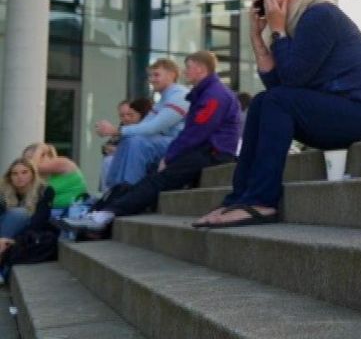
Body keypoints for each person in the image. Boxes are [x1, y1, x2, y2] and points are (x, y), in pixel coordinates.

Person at [194, 0, 361, 229]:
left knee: (275, 100)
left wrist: (277, 30)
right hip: (336, 111)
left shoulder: (321, 14)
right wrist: (258, 38)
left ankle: (262, 201)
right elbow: (278, 90)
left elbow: (291, 81)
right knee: (262, 102)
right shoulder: (300, 23)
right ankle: (239, 198)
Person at [63, 51, 241, 234]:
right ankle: (107, 207)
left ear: (201, 69)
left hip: (213, 153)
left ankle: (107, 212)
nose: (185, 72)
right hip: (204, 150)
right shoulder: (206, 93)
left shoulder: (214, 95)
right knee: (152, 174)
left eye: (188, 67)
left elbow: (195, 132)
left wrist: (170, 156)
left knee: (157, 178)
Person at [94, 58, 189, 190]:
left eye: (156, 75)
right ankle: (112, 190)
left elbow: (154, 127)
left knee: (137, 142)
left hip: (181, 145)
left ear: (172, 75)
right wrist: (115, 132)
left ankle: (129, 190)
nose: (151, 79)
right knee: (130, 138)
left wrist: (116, 130)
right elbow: (142, 126)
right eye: (150, 75)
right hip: (169, 143)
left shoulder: (180, 96)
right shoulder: (163, 99)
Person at [0, 159, 58, 280]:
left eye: (24, 172)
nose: (19, 177)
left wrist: (13, 240)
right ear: (10, 177)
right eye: (14, 174)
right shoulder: (3, 191)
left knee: (19, 213)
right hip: (4, 234)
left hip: (26, 234)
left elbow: (39, 221)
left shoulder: (44, 190)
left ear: (33, 173)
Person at [97, 97, 154, 192]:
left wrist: (117, 150)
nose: (126, 118)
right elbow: (107, 146)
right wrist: (107, 147)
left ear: (138, 114)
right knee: (108, 160)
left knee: (109, 161)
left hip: (143, 167)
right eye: (122, 115)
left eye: (129, 114)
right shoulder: (122, 126)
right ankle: (110, 194)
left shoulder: (144, 126)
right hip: (122, 166)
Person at [20, 143, 88, 214]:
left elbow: (35, 167)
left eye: (32, 158)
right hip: (55, 213)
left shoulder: (63, 163)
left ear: (45, 155)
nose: (27, 164)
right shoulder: (42, 175)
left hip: (72, 212)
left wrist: (40, 148)